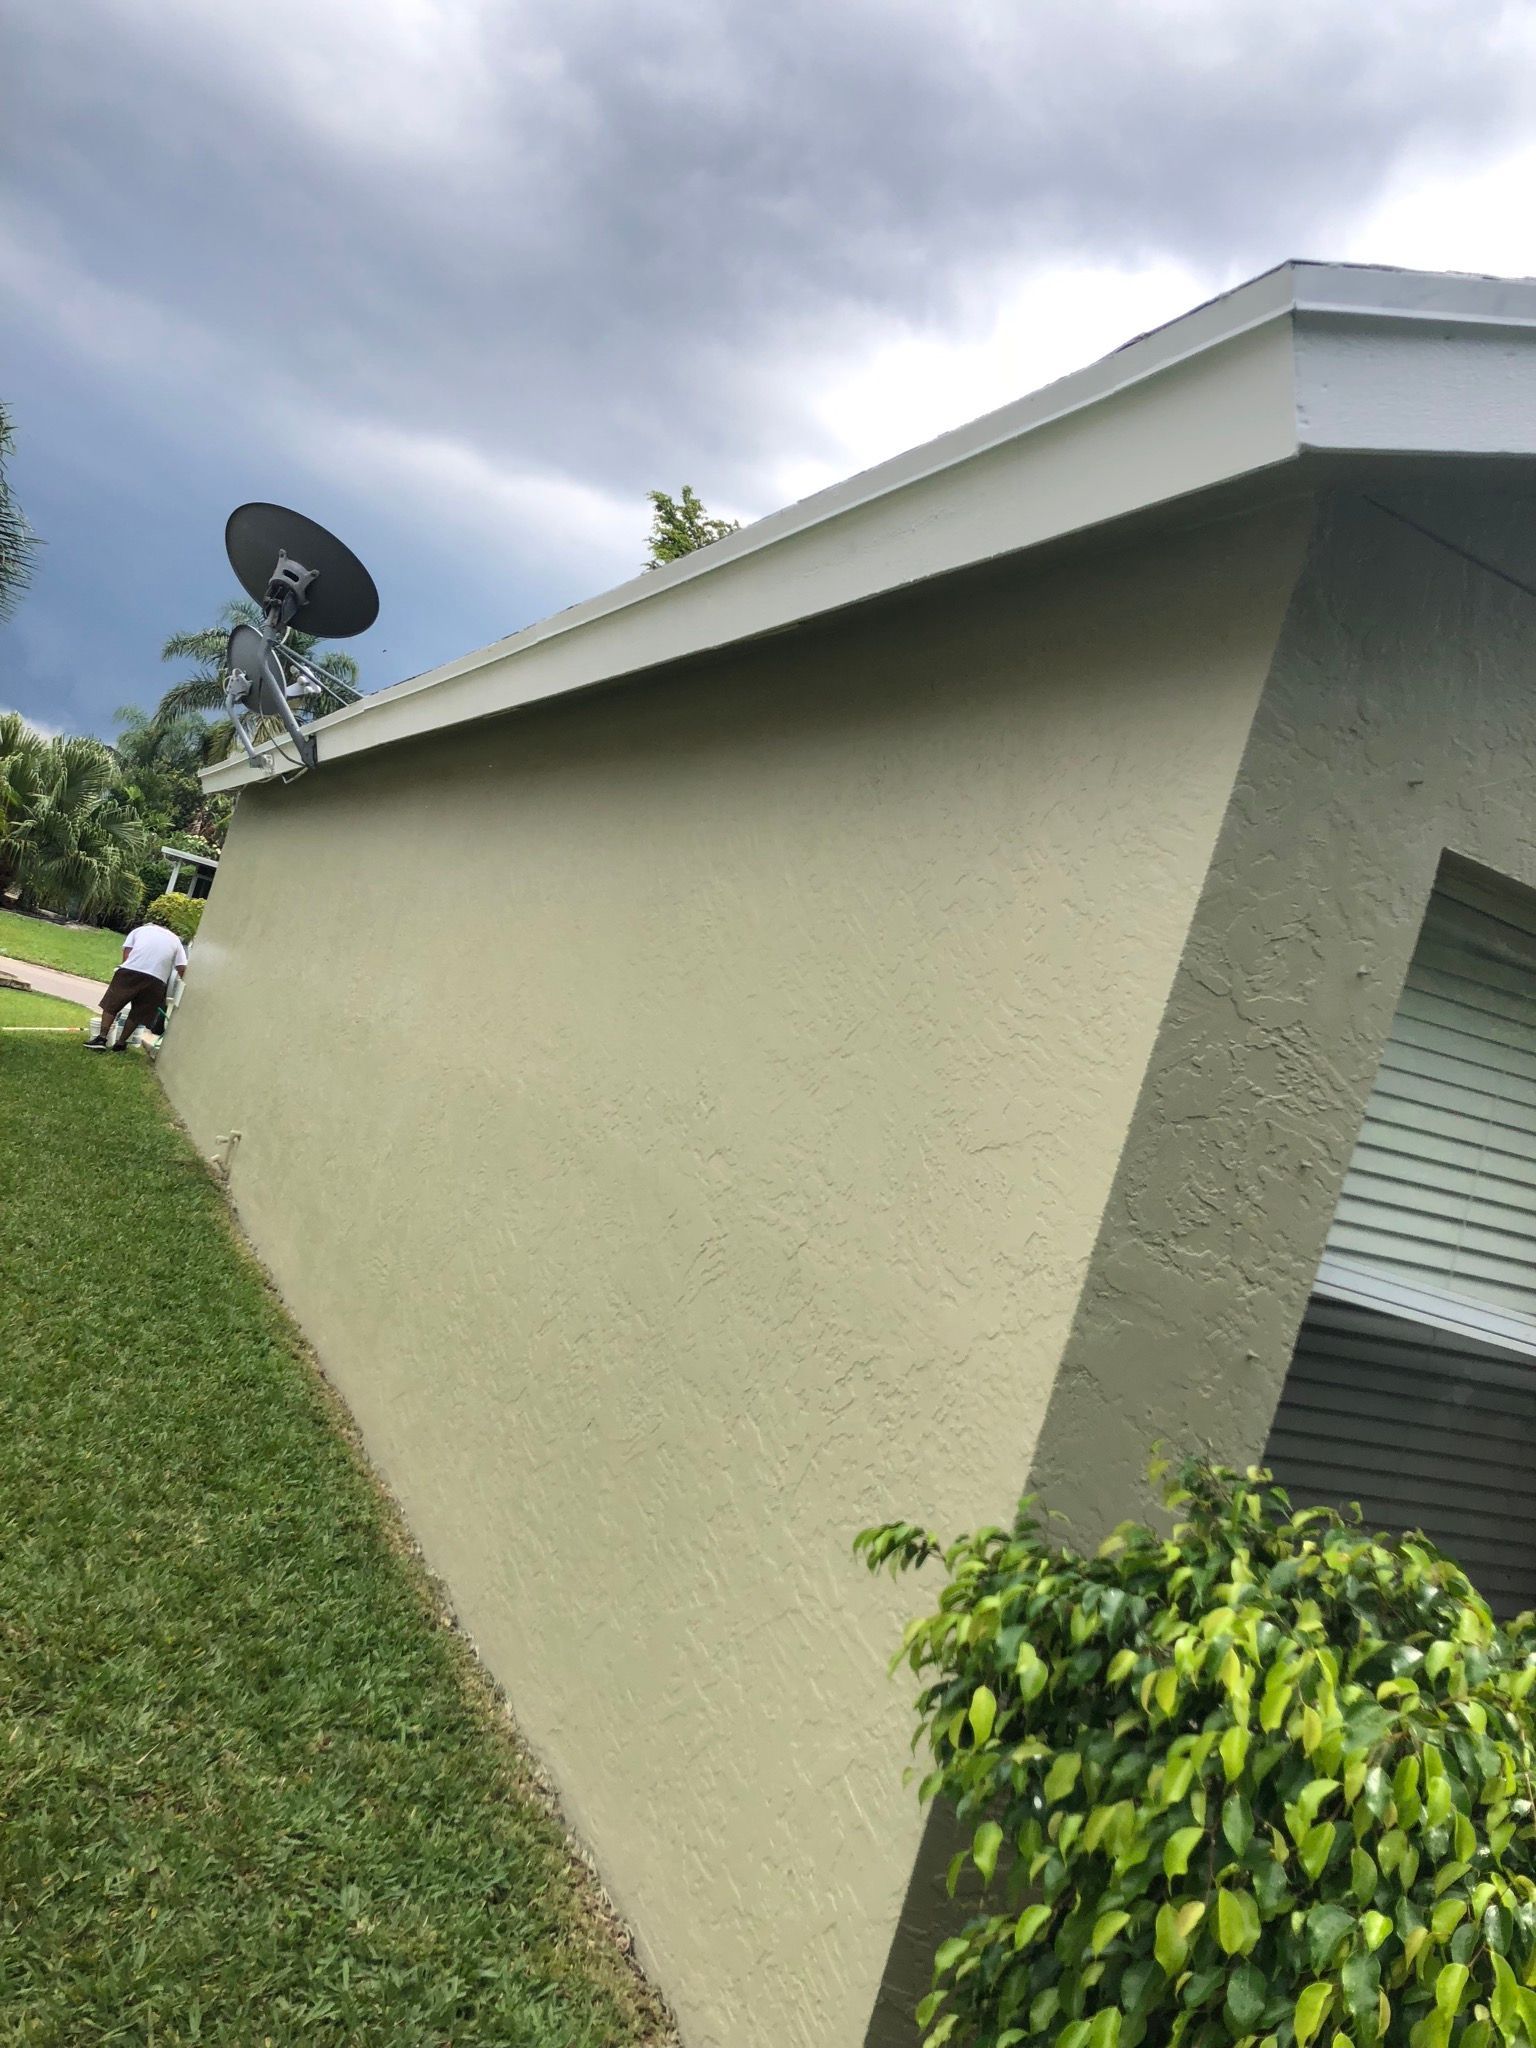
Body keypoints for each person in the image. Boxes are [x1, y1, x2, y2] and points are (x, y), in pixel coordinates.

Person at [84, 919, 189, 1052]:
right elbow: (182, 968)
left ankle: (101, 1038)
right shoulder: (175, 940)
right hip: (157, 980)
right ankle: (121, 1044)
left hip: (131, 971)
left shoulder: (139, 931)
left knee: (112, 1005)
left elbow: (127, 955)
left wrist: (124, 971)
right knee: (138, 1013)